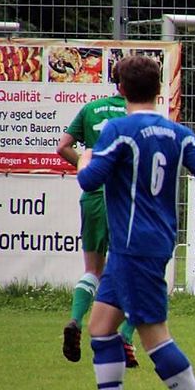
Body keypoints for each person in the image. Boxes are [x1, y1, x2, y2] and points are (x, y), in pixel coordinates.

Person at [63, 55, 195, 390]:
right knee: (101, 327)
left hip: (135, 248)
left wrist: (85, 157)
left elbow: (90, 180)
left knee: (154, 336)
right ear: (159, 89)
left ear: (120, 90)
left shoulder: (118, 129)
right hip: (145, 245)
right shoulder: (178, 133)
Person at [57, 63, 139, 368]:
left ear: (115, 82)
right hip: (124, 199)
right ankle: (125, 336)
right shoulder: (136, 115)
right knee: (137, 271)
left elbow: (63, 147)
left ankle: (75, 320)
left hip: (92, 195)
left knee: (93, 269)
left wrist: (86, 165)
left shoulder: (91, 109)